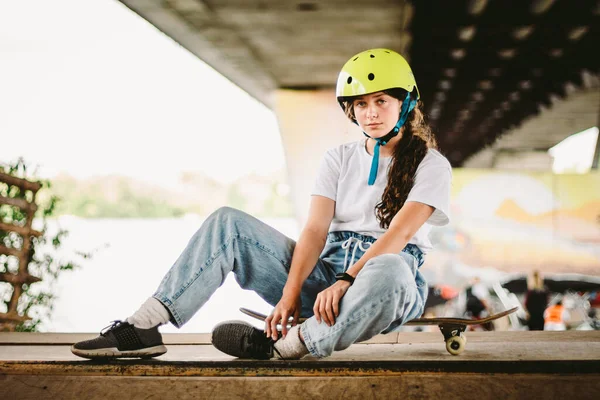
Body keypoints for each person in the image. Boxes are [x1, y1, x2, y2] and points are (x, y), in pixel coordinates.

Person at [71, 48, 452, 360]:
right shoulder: (338, 158)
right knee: (227, 222)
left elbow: (401, 233)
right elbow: (316, 231)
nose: (370, 112)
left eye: (381, 101)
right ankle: (143, 326)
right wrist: (290, 294)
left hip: (382, 283)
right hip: (323, 280)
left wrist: (347, 280)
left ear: (405, 103)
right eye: (361, 103)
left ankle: (287, 347)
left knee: (391, 269)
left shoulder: (432, 165)